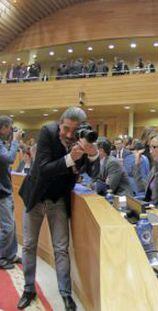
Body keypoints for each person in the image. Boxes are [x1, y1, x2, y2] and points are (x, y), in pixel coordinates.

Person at [18, 107, 99, 310]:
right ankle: (28, 289)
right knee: (28, 245)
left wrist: (93, 154)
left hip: (58, 199)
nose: (69, 134)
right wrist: (70, 158)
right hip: (36, 196)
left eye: (74, 130)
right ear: (60, 123)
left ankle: (65, 293)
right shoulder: (47, 131)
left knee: (61, 249)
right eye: (66, 128)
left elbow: (94, 172)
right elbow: (44, 169)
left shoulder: (82, 138)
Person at [0, 116, 22, 270]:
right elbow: (9, 158)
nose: (11, 130)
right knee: (7, 226)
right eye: (10, 128)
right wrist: (15, 141)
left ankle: (11, 254)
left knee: (12, 225)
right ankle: (1, 257)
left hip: (6, 189)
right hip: (1, 192)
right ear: (3, 128)